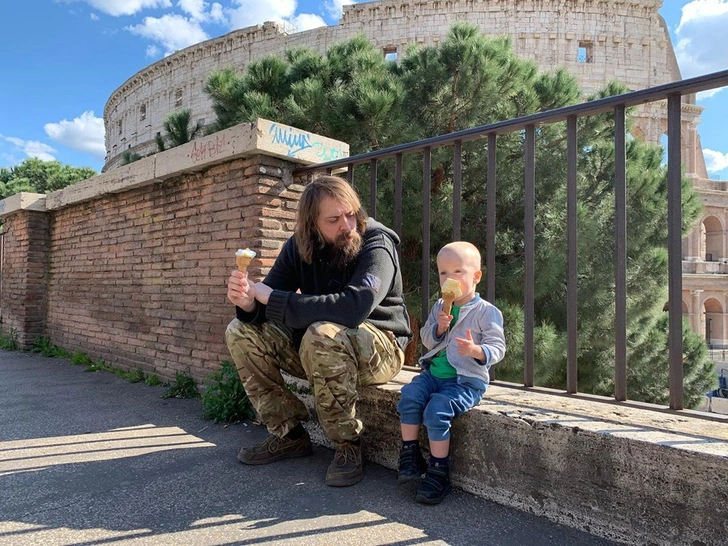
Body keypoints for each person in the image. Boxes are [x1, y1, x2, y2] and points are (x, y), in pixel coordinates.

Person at [225, 175, 412, 487]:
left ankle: (347, 445)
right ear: (312, 225)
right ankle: (290, 434)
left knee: (322, 332)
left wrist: (272, 298)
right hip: (319, 347)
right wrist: (246, 303)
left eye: (351, 213)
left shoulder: (378, 243)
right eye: (334, 219)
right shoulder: (298, 246)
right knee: (240, 331)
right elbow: (266, 300)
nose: (347, 225)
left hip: (380, 346)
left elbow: (354, 308)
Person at [396, 241, 505, 504]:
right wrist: (438, 329)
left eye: (457, 272)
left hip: (465, 381)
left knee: (437, 410)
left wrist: (477, 350)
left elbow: (497, 346)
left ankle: (438, 470)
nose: (449, 279)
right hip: (434, 374)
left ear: (476, 277)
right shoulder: (439, 306)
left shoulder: (486, 312)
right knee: (409, 396)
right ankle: (410, 454)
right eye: (443, 273)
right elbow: (426, 339)